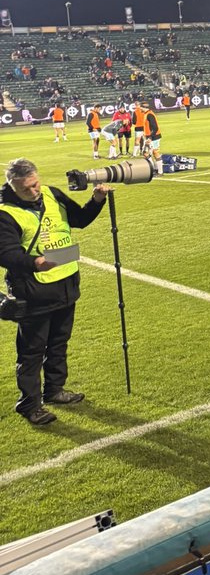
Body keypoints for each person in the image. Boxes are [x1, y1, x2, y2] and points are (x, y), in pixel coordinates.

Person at [0, 158, 109, 425]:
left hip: (65, 282)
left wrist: (97, 200)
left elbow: (79, 219)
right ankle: (29, 405)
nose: (34, 191)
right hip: (34, 291)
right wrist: (35, 262)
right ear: (12, 187)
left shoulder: (52, 193)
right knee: (32, 351)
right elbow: (6, 253)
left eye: (35, 184)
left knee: (59, 342)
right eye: (26, 188)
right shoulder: (5, 213)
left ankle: (55, 390)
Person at [143, 102, 163, 174]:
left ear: (143, 107)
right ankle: (155, 169)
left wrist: (150, 137)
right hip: (150, 137)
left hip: (154, 137)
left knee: (155, 152)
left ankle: (159, 172)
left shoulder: (149, 115)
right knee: (146, 153)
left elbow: (155, 128)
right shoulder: (147, 114)